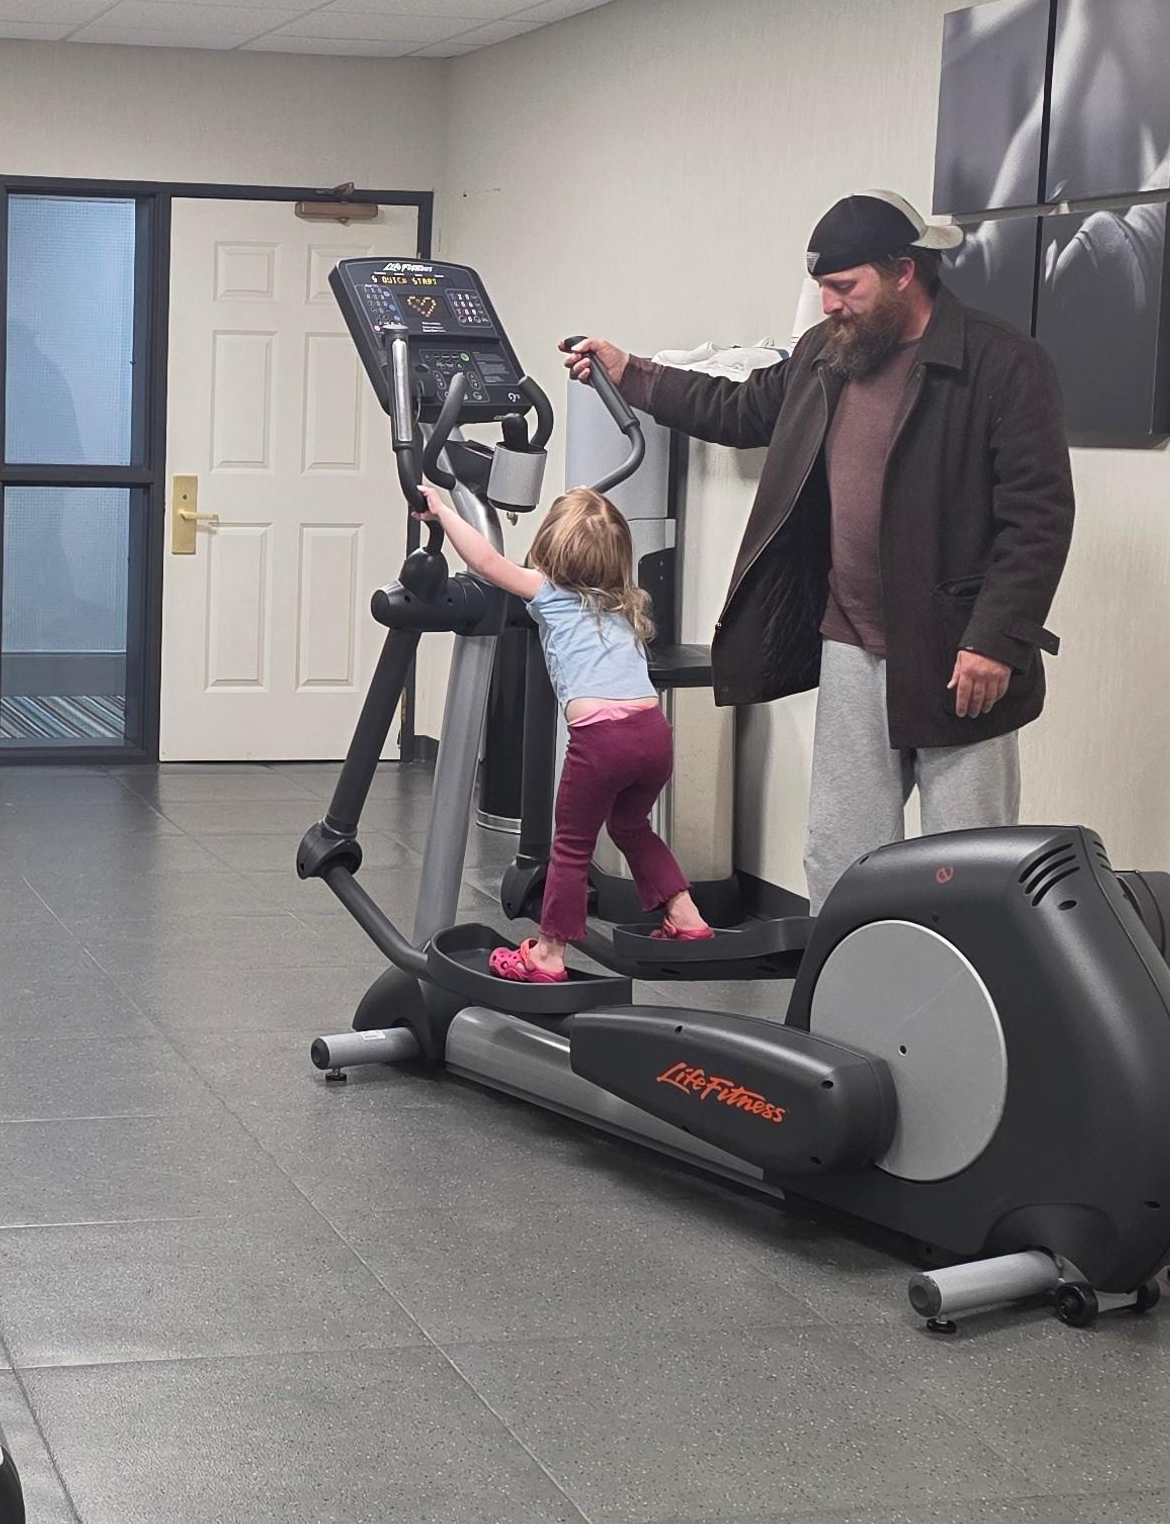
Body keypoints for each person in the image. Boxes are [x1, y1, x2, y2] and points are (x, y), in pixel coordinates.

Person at [566, 190, 1074, 907]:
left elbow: (1039, 517)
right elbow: (738, 410)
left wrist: (995, 639)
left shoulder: (1002, 363)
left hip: (958, 653)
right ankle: (844, 979)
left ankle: (964, 984)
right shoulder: (827, 354)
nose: (829, 304)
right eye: (823, 288)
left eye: (844, 286)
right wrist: (632, 373)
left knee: (967, 870)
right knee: (840, 856)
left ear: (904, 271)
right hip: (852, 643)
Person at [414, 482, 716, 981]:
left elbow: (485, 562)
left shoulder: (549, 593)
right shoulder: (624, 604)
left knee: (572, 847)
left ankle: (548, 954)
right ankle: (686, 915)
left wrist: (443, 510)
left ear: (550, 549)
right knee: (630, 825)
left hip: (602, 744)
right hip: (653, 735)